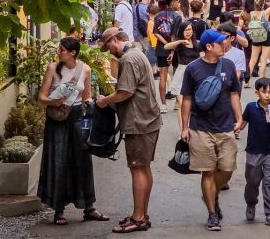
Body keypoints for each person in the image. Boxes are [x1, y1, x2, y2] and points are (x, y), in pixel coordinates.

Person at [37, 38, 109, 226]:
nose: (58, 52)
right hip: (57, 118)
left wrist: (93, 107)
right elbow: (41, 97)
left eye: (62, 50)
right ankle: (58, 210)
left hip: (76, 116)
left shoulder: (85, 69)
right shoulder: (52, 68)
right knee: (59, 161)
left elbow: (87, 97)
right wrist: (53, 101)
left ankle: (89, 207)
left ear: (72, 53)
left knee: (82, 160)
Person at [97, 28, 161, 234]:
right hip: (147, 119)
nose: (109, 51)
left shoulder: (128, 59)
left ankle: (138, 217)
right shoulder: (137, 53)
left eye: (108, 46)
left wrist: (105, 100)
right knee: (143, 167)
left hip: (139, 121)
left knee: (137, 168)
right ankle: (142, 214)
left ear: (115, 40)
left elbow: (125, 92)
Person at [180, 29, 243, 232]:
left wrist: (239, 118)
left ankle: (212, 194)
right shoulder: (193, 69)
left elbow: (234, 94)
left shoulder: (229, 65)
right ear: (209, 46)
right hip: (200, 128)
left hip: (225, 127)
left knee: (227, 169)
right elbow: (186, 99)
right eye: (220, 42)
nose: (224, 44)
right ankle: (212, 213)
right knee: (207, 172)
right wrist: (184, 128)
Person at [238, 77, 270, 227]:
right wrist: (235, 127)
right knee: (252, 182)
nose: (267, 95)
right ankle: (251, 203)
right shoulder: (251, 107)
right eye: (264, 92)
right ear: (257, 93)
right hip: (253, 151)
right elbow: (242, 124)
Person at [165, 18, 201, 131]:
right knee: (181, 104)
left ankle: (192, 128)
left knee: (193, 104)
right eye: (185, 30)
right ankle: (183, 131)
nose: (188, 32)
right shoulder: (179, 44)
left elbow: (203, 56)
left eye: (190, 29)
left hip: (195, 74)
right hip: (181, 74)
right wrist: (180, 41)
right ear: (181, 31)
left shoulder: (197, 43)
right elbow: (166, 46)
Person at [153, 0, 182, 112]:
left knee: (163, 76)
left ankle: (163, 105)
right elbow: (175, 35)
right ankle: (177, 103)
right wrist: (172, 49)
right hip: (175, 49)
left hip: (161, 48)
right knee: (177, 75)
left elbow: (156, 33)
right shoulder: (177, 17)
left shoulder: (158, 16)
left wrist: (165, 44)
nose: (179, 4)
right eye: (178, 2)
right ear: (173, 2)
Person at [248, 0, 270, 79]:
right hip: (265, 36)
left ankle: (247, 80)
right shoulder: (265, 13)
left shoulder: (252, 13)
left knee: (253, 59)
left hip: (255, 36)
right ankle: (262, 77)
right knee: (263, 59)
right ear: (263, 5)